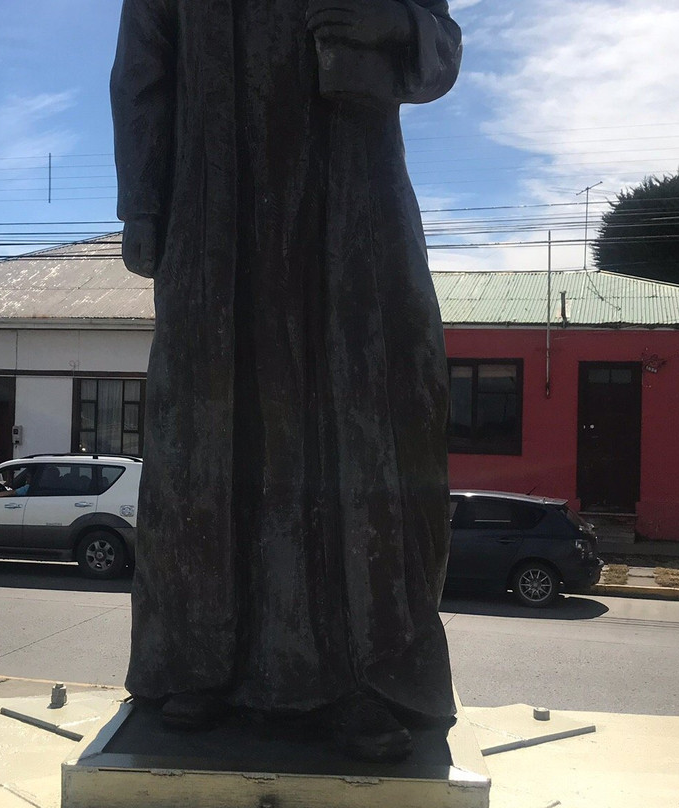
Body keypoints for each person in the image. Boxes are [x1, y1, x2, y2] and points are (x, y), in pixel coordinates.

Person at [111, 0, 462, 761]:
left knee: (364, 423)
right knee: (206, 429)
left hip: (349, 192)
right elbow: (143, 70)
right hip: (214, 201)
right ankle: (198, 662)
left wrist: (389, 23)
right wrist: (141, 202)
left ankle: (363, 679)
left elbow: (441, 44)